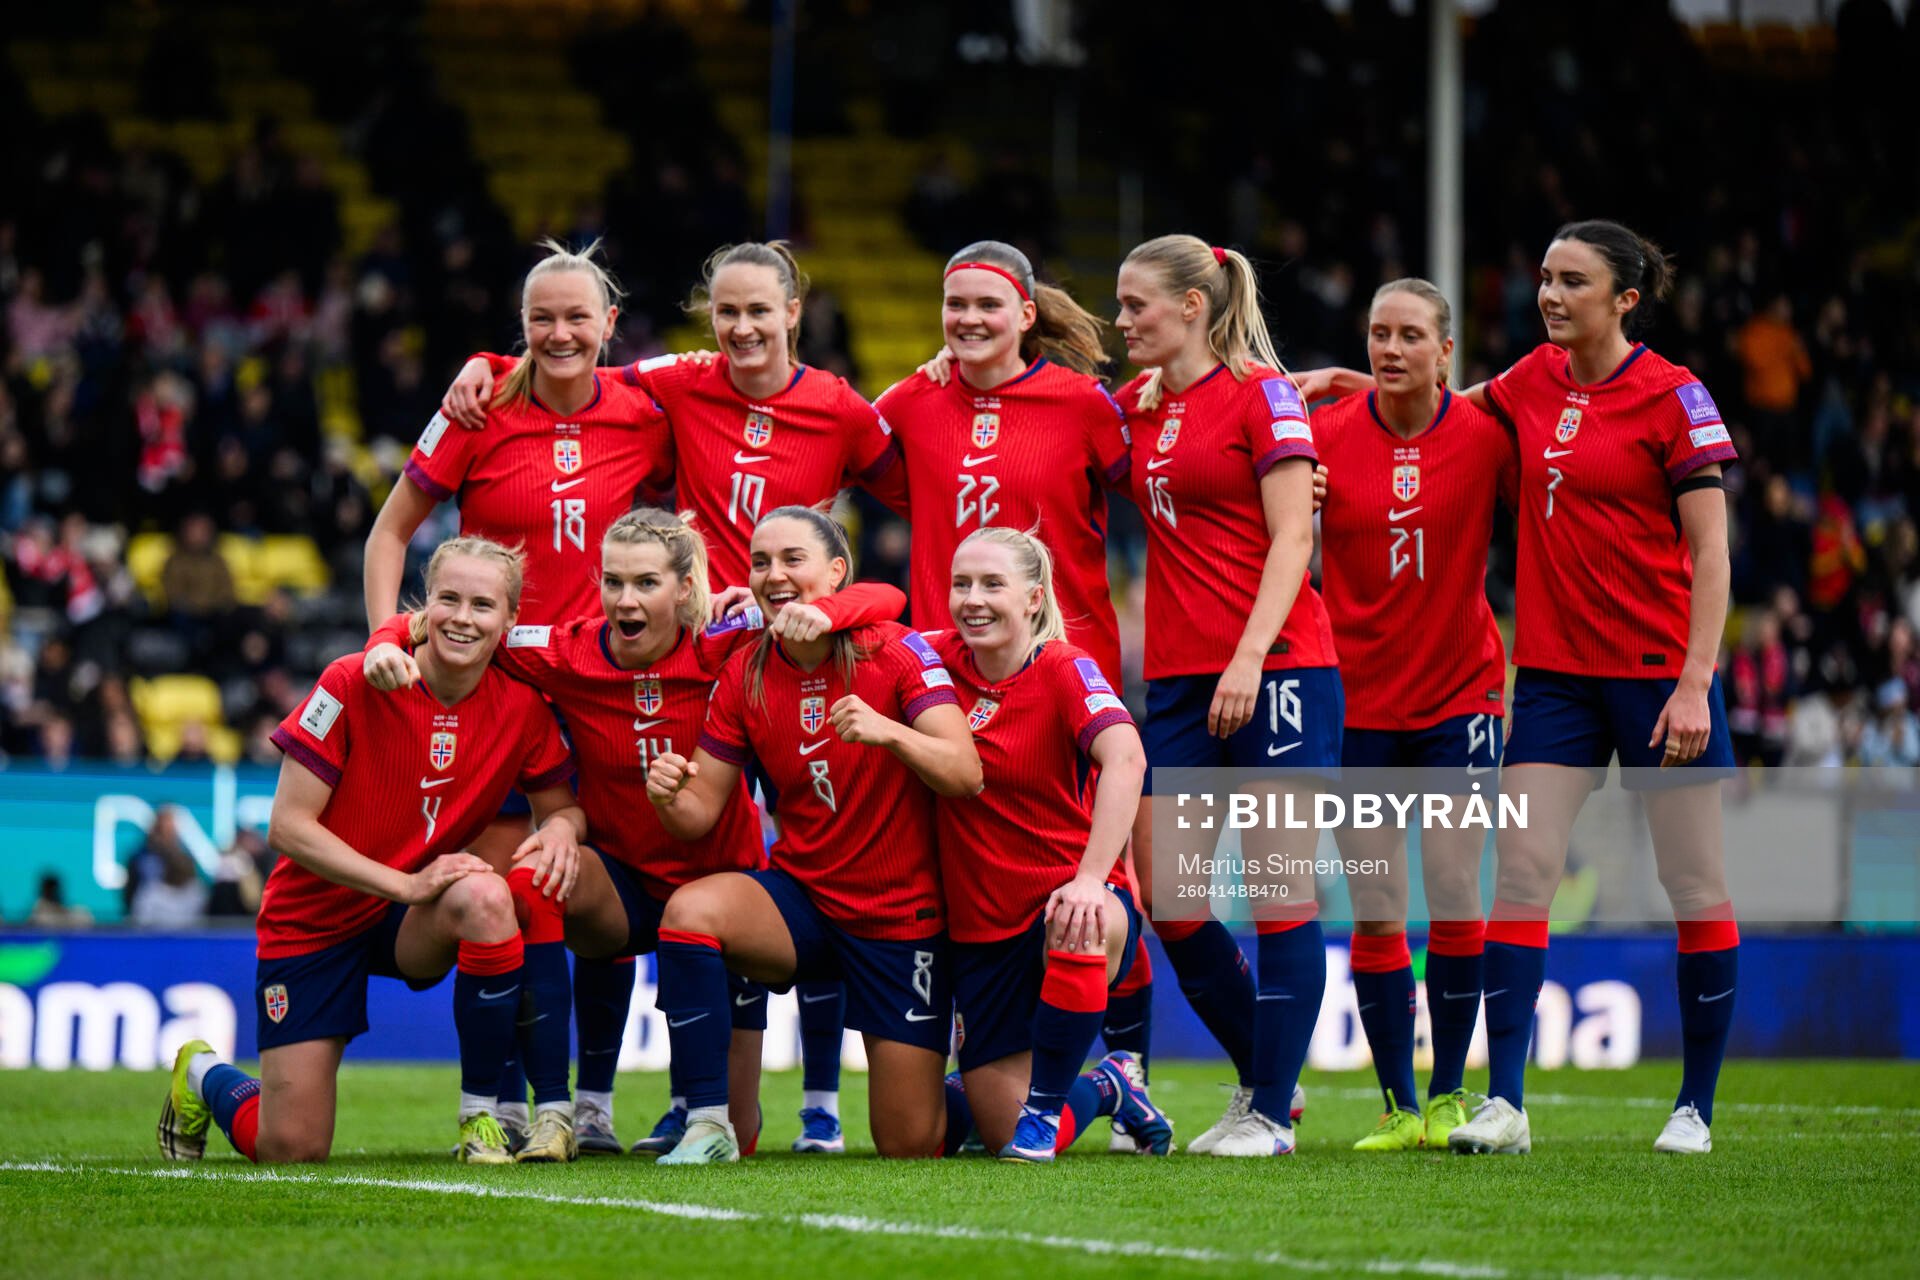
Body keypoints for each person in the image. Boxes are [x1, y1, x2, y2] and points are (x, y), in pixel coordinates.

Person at [440, 241, 912, 1147]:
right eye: (725, 312)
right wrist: (489, 365)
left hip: (796, 654)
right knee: (639, 855)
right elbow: (570, 353)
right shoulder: (678, 382)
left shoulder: (844, 409)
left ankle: (819, 1105)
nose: (740, 328)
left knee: (819, 860)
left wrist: (837, 604)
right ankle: (621, 1105)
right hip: (704, 652)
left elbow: (912, 485)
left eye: (758, 313)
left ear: (791, 316)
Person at [1300, 220, 1741, 1156]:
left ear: (1624, 299)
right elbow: (1444, 410)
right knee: (1524, 875)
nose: (1549, 294)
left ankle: (1694, 1106)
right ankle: (1503, 1103)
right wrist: (1356, 384)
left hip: (1663, 675)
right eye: (1544, 276)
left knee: (1693, 881)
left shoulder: (1676, 396)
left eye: (1571, 281)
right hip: (1551, 678)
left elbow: (1711, 551)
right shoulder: (1528, 383)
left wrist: (1697, 681)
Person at [361, 509, 903, 1156]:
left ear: (685, 588)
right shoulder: (561, 650)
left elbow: (882, 599)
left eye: (646, 583)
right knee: (535, 873)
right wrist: (383, 641)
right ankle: (562, 1113)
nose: (625, 600)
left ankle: (700, 1111)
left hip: (721, 893)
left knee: (745, 1132)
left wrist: (830, 613)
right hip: (618, 885)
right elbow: (453, 620)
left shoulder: (726, 634)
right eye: (612, 582)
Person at [361, 238, 673, 1150]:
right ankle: (496, 1105)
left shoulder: (648, 412)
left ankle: (597, 1108)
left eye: (580, 317)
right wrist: (391, 638)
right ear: (521, 327)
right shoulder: (478, 405)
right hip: (493, 688)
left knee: (597, 885)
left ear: (611, 325)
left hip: (604, 690)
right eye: (543, 318)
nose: (562, 333)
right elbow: (391, 535)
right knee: (506, 883)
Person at [156, 536, 590, 1165]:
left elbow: (563, 807)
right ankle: (203, 1073)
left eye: (482, 605)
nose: (463, 618)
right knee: (291, 1148)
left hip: (406, 920)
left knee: (488, 895)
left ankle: (481, 1121)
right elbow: (288, 827)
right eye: (449, 599)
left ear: (510, 621)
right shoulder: (352, 678)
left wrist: (558, 829)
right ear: (423, 605)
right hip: (316, 918)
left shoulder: (521, 707)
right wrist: (408, 884)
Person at [644, 507, 981, 1163]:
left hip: (900, 918)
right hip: (804, 901)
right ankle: (709, 1123)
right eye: (761, 562)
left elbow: (965, 772)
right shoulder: (744, 671)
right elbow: (698, 814)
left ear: (836, 572)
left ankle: (990, 1094)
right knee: (691, 912)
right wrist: (666, 794)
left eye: (792, 559)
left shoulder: (897, 650)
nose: (775, 576)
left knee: (909, 1144)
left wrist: (890, 732)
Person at [1111, 234, 1339, 1157]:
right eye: (1119, 307)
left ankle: (1269, 1110)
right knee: (1173, 897)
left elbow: (1295, 541)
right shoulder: (1135, 406)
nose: (1123, 322)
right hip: (1175, 678)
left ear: (1194, 306)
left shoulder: (1262, 397)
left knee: (1281, 892)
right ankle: (1267, 1085)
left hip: (1276, 668)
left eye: (1138, 307)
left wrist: (1249, 658)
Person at [1311, 279, 1516, 1151]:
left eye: (1409, 336)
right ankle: (1397, 1108)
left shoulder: (1487, 441)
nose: (1389, 349)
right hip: (1354, 704)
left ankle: (1451, 1096)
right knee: (1379, 907)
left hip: (1459, 698)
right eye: (1376, 334)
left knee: (1457, 885)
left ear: (1446, 353)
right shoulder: (1319, 439)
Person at [929, 526, 1171, 1161]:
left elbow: (1126, 758)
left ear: (1034, 599)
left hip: (1064, 897)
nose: (972, 599)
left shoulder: (1063, 666)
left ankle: (1043, 1109)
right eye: (960, 584)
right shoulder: (935, 658)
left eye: (991, 584)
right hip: (979, 928)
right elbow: (869, 618)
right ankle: (1111, 1084)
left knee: (1081, 921)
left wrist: (1093, 876)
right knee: (957, 1132)